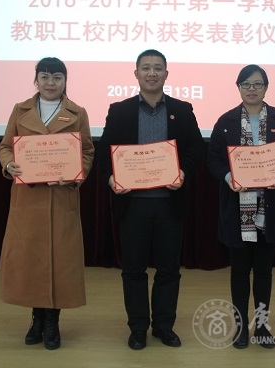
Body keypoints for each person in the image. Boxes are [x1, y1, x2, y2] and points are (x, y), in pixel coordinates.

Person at [98, 49, 205, 350]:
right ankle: (137, 328)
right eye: (145, 68)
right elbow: (105, 151)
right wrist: (111, 178)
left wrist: (183, 171)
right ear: (136, 74)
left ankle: (163, 326)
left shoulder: (182, 110)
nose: (152, 73)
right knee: (133, 270)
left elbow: (197, 148)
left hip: (169, 202)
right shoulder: (119, 110)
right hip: (133, 203)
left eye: (158, 68)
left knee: (169, 269)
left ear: (166, 74)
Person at [0, 57, 95, 351]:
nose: (50, 83)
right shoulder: (20, 110)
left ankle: (52, 322)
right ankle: (36, 319)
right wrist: (9, 164)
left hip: (61, 197)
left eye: (57, 77)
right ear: (36, 80)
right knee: (31, 261)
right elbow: (5, 146)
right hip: (28, 200)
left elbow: (87, 152)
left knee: (59, 263)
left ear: (65, 81)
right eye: (45, 77)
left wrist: (76, 174)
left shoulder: (77, 112)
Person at [206, 64, 275, 349]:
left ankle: (261, 326)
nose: (252, 89)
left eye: (257, 84)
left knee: (263, 271)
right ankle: (240, 328)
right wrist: (228, 177)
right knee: (238, 271)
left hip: (269, 208)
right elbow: (214, 159)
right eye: (246, 84)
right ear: (238, 87)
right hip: (238, 207)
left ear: (266, 88)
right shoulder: (226, 121)